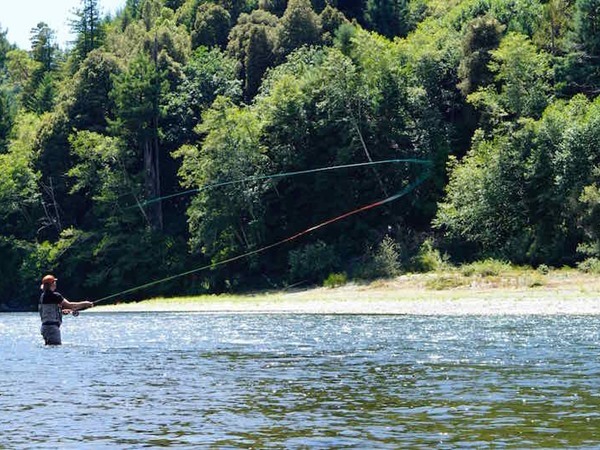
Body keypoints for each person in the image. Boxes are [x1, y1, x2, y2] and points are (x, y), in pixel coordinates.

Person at [39, 274, 93, 345]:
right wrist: (86, 304)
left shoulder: (43, 296)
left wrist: (60, 312)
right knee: (55, 349)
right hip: (52, 329)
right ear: (51, 284)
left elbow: (46, 312)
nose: (55, 284)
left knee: (50, 348)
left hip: (44, 328)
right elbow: (71, 305)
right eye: (54, 282)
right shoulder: (55, 295)